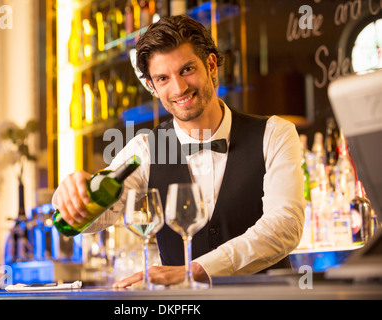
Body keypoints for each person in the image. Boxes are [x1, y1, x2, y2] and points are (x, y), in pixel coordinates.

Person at [52, 15, 305, 287]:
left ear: (210, 65)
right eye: (162, 78)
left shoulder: (275, 134)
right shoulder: (146, 149)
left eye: (187, 70)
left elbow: (285, 225)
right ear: (152, 85)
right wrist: (70, 199)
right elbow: (103, 214)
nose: (178, 88)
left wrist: (196, 270)